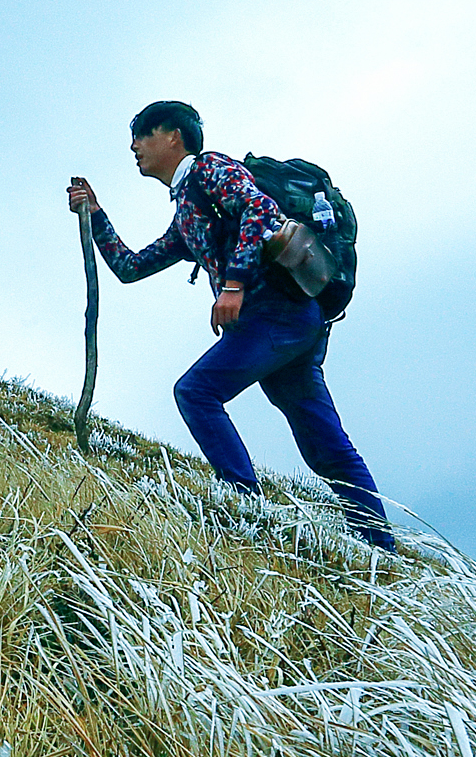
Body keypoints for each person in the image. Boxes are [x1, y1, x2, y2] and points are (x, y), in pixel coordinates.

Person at [65, 101, 397, 551]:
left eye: (143, 134)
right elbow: (131, 267)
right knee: (325, 446)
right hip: (291, 323)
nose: (134, 146)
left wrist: (233, 286)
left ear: (173, 136)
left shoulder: (209, 169)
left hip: (277, 313)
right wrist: (96, 214)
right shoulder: (187, 210)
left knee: (196, 392)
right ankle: (380, 548)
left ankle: (245, 506)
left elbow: (260, 208)